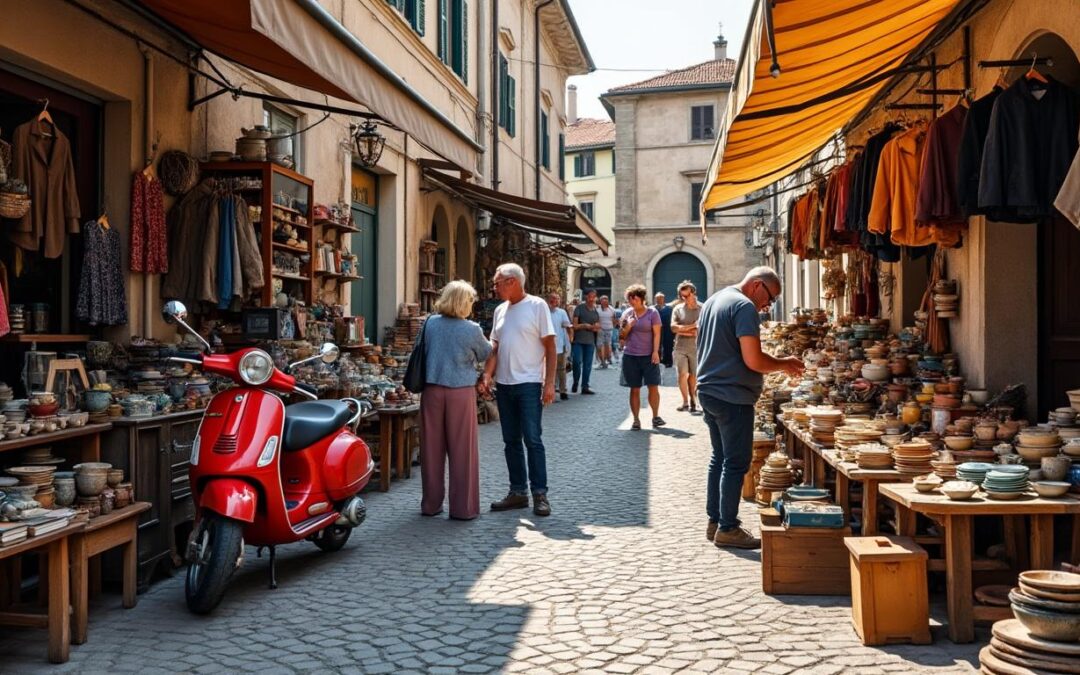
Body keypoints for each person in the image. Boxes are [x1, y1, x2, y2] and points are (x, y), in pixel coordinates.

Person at [698, 267, 804, 549]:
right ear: (757, 285)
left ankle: (715, 520)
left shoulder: (715, 300)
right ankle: (728, 528)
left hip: (709, 390)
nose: (767, 305)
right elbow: (753, 360)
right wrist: (784, 364)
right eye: (769, 298)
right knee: (735, 462)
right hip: (732, 395)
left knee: (720, 458)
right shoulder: (744, 307)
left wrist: (780, 360)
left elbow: (734, 350)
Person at [481, 263, 557, 517]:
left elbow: (550, 346)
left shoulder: (537, 306)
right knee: (510, 441)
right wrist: (487, 374)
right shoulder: (500, 310)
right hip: (504, 384)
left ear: (512, 281)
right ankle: (517, 492)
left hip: (529, 383)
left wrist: (548, 383)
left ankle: (540, 494)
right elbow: (495, 347)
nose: (494, 287)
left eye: (497, 283)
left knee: (533, 440)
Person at [419, 281, 492, 520]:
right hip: (460, 391)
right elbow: (486, 353)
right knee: (463, 450)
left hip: (431, 390)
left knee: (431, 449)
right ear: (464, 303)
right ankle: (463, 508)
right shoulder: (471, 329)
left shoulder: (429, 324)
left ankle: (431, 504)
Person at [619, 284, 664, 430]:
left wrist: (655, 352)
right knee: (635, 388)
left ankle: (655, 416)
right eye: (630, 299)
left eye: (635, 299)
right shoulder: (627, 314)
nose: (632, 302)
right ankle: (636, 420)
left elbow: (657, 334)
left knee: (653, 386)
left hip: (649, 356)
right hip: (631, 356)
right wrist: (628, 326)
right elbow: (621, 337)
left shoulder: (652, 313)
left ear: (642, 299)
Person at [671, 280, 701, 413]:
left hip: (696, 347)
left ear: (693, 293)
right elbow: (673, 327)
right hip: (680, 347)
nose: (684, 298)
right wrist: (692, 326)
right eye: (682, 296)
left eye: (686, 295)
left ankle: (693, 399)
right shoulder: (678, 309)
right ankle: (685, 402)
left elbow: (699, 331)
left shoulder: (703, 308)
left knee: (694, 375)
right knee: (683, 374)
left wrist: (682, 329)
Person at [571, 290, 600, 394]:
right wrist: (585, 325)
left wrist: (595, 328)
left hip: (590, 342)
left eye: (593, 297)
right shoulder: (579, 308)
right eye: (589, 297)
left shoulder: (595, 311)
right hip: (578, 341)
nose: (591, 299)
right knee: (577, 362)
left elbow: (597, 327)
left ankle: (585, 386)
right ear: (586, 297)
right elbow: (574, 325)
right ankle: (575, 381)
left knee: (588, 365)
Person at [548, 293, 573, 401]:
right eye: (553, 298)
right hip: (548, 346)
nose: (555, 301)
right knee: (550, 370)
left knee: (562, 369)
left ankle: (563, 391)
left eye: (557, 299)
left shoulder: (562, 312)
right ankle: (551, 391)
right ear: (549, 300)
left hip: (560, 344)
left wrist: (570, 339)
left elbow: (567, 326)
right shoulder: (544, 312)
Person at [654, 292, 675, 368]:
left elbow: (673, 320)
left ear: (663, 299)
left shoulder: (669, 309)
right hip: (656, 330)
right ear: (655, 299)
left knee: (668, 346)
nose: (659, 300)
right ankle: (658, 361)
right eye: (657, 298)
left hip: (667, 330)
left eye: (660, 298)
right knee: (656, 345)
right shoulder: (652, 309)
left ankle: (668, 361)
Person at [596, 295, 617, 368]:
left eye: (606, 300)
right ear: (600, 301)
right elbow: (596, 319)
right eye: (603, 300)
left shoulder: (612, 310)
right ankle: (602, 361)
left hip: (609, 329)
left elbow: (614, 320)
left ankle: (607, 359)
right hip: (600, 330)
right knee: (599, 345)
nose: (605, 301)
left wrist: (612, 327)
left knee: (608, 345)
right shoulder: (597, 309)